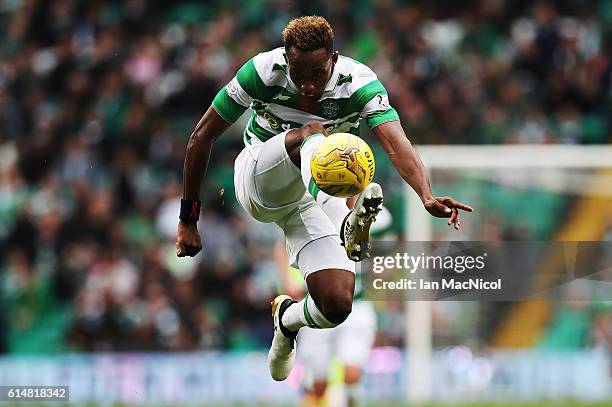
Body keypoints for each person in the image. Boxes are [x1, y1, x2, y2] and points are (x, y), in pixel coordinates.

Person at [175, 16, 473, 381]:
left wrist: (425, 194)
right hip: (259, 179)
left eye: (318, 72)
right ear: (286, 58)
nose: (309, 84)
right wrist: (188, 219)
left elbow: (396, 142)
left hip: (309, 198)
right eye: (299, 74)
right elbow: (201, 137)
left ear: (333, 59)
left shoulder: (358, 82)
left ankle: (287, 320)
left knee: (337, 303)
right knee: (312, 134)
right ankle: (349, 216)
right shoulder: (262, 71)